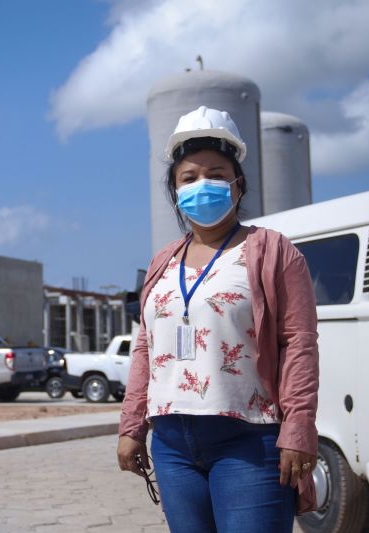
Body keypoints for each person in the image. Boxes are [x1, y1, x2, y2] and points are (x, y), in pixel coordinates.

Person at [117, 106, 319, 532]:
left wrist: (298, 428)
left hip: (249, 440)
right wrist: (132, 425)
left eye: (215, 174)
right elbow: (145, 347)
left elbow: (298, 342)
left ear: (237, 184)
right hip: (172, 443)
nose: (202, 185)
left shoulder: (273, 251)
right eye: (189, 178)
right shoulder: (162, 262)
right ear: (174, 190)